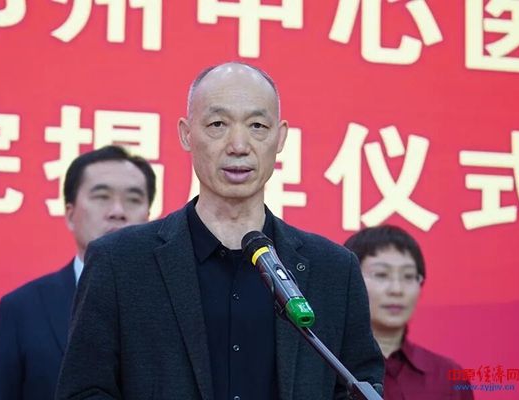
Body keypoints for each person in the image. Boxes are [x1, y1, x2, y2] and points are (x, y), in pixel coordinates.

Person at [56, 62, 383, 400]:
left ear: (281, 137)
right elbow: (84, 391)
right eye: (217, 124)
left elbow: (359, 385)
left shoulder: (334, 270)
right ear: (186, 134)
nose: (238, 145)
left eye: (257, 126)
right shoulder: (120, 262)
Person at [0, 145, 157, 400]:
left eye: (133, 199)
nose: (118, 211)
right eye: (101, 196)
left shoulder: (172, 302)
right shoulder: (22, 308)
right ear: (70, 214)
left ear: (149, 217)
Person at [344, 225, 474, 400]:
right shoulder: (329, 369)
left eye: (408, 276)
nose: (397, 290)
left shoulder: (446, 376)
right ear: (350, 279)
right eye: (381, 274)